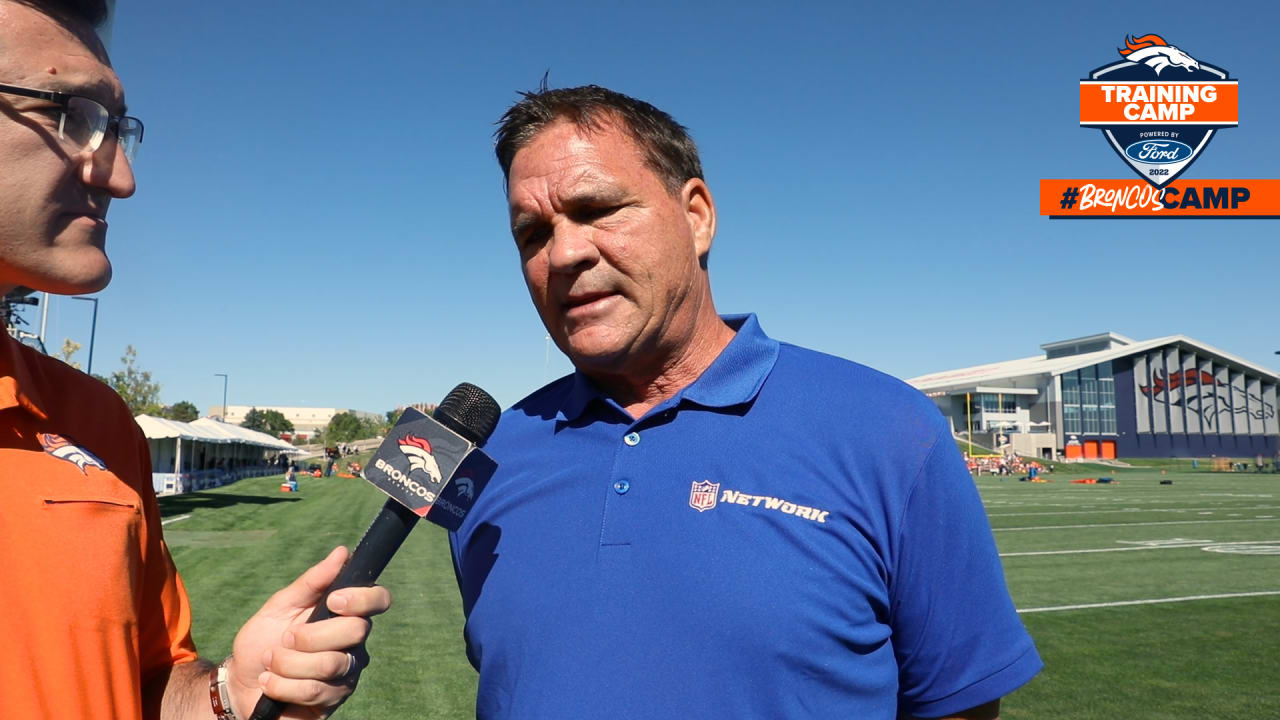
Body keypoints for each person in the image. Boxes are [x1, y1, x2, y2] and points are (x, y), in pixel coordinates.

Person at [450, 85, 1042, 719]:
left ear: (697, 216)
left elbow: (959, 707)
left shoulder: (891, 431)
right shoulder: (492, 456)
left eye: (597, 209)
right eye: (532, 232)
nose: (564, 254)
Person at [0, 2, 389, 718]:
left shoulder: (99, 423)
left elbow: (147, 684)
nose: (120, 178)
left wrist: (230, 693)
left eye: (118, 130)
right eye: (72, 115)